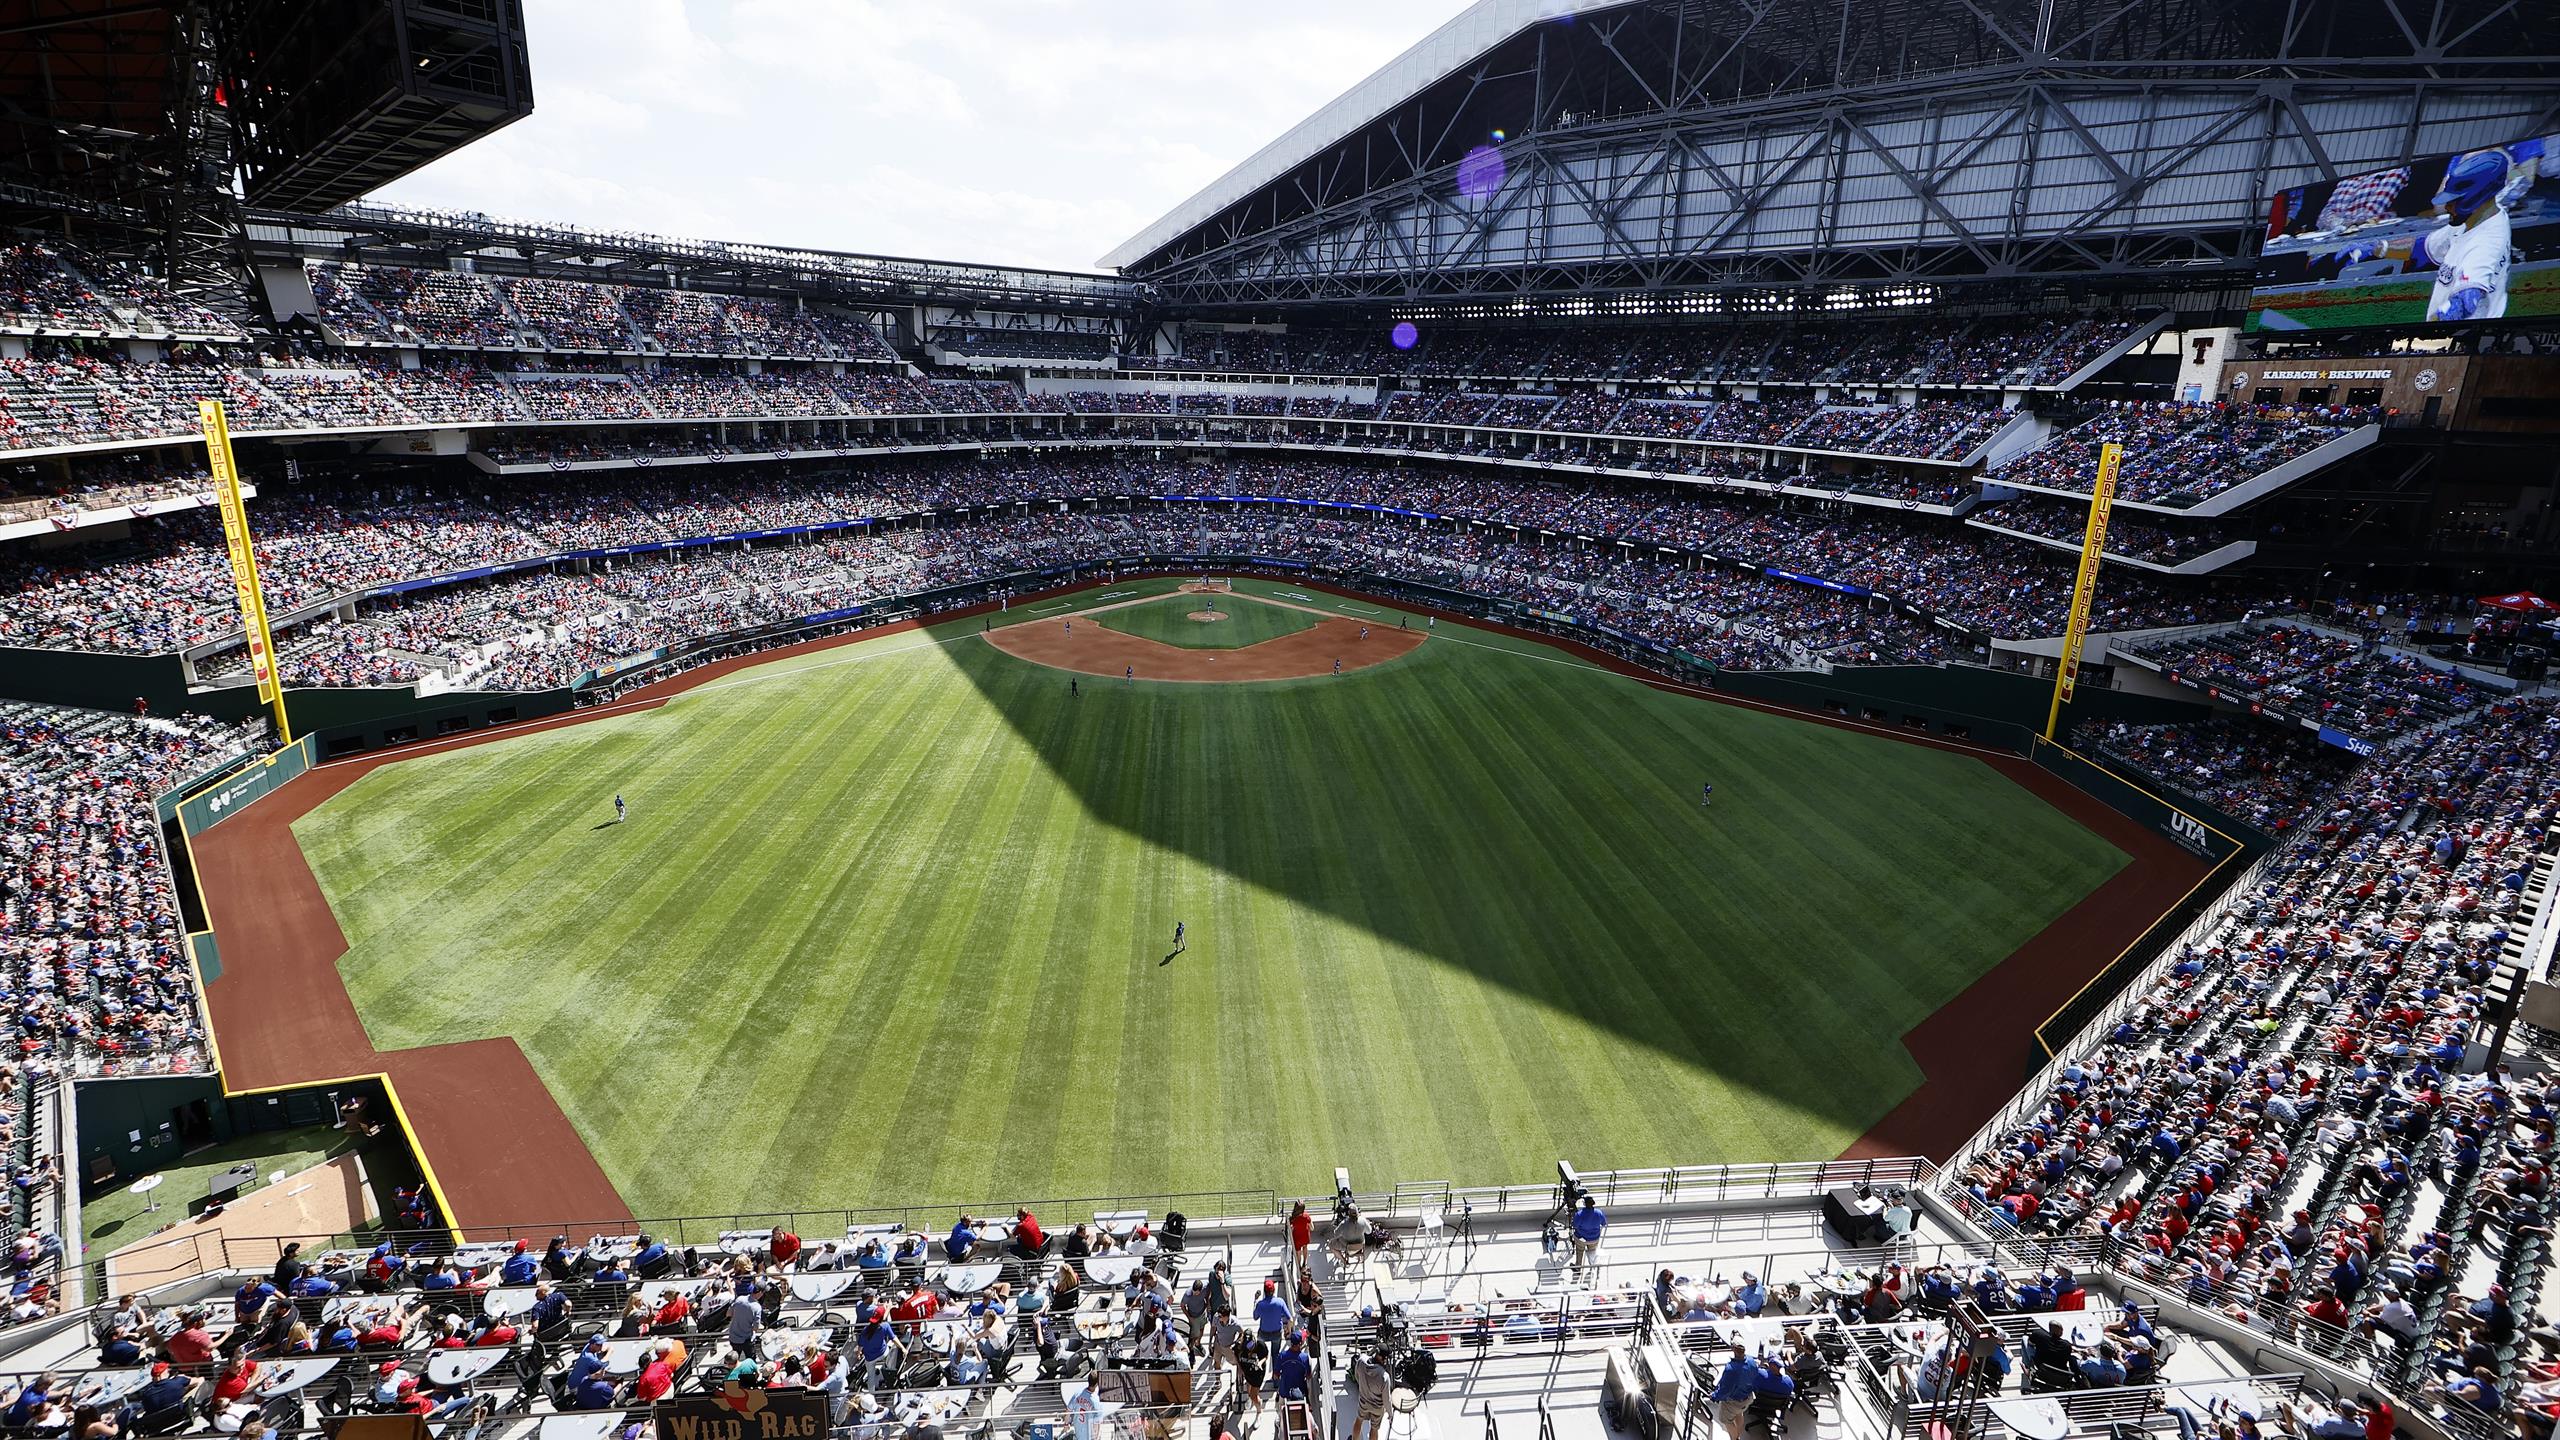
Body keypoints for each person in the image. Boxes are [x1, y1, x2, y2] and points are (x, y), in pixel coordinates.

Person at [1570, 1195, 1607, 1273]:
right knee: (1592, 1253)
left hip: (1581, 1239)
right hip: (1594, 1239)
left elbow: (1574, 1226)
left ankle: (1578, 1267)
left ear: (1584, 1204)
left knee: (1579, 1252)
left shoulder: (1579, 1214)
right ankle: (1593, 1266)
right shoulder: (1599, 1213)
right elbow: (1604, 1224)